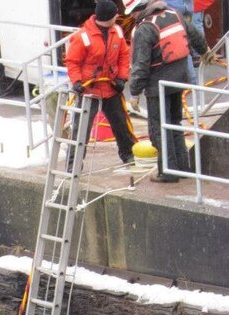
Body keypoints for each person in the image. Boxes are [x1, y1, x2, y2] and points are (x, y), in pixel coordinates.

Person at [125, 0, 208, 182]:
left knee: (160, 129)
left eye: (131, 13)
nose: (131, 17)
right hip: (180, 78)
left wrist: (134, 93)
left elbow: (141, 66)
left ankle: (168, 172)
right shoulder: (173, 13)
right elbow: (194, 35)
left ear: (137, 11)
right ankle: (183, 168)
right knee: (175, 123)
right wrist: (205, 52)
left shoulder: (144, 29)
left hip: (158, 85)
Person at [64, 0, 137, 171]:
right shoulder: (82, 37)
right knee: (81, 130)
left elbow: (123, 56)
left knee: (121, 125)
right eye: (115, 15)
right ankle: (73, 165)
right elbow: (72, 62)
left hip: (110, 88)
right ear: (108, 17)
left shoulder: (116, 31)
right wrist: (77, 82)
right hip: (89, 90)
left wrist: (122, 78)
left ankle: (128, 155)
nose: (118, 17)